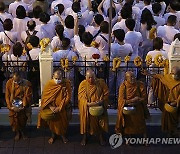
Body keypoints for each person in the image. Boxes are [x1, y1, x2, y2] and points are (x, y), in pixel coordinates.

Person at [143, 66, 180, 137]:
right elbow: (159, 77)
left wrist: (176, 102)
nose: (175, 76)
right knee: (166, 117)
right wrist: (149, 74)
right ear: (171, 73)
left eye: (177, 74)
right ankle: (169, 131)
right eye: (174, 74)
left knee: (175, 119)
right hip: (167, 102)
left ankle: (174, 131)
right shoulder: (168, 78)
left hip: (176, 104)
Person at [37, 69, 72, 144]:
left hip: (62, 107)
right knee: (52, 122)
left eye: (59, 79)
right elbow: (45, 97)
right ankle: (53, 135)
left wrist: (60, 107)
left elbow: (68, 97)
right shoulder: (49, 84)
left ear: (62, 77)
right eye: (56, 78)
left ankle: (63, 135)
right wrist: (50, 107)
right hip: (52, 108)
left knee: (63, 122)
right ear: (53, 76)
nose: (57, 80)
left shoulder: (66, 84)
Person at [115, 71, 149, 142]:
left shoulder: (140, 85)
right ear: (126, 79)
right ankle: (129, 138)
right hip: (128, 108)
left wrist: (138, 100)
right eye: (131, 77)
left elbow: (144, 97)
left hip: (138, 107)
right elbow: (120, 100)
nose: (133, 78)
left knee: (141, 123)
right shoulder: (123, 86)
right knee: (128, 124)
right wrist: (131, 101)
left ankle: (145, 138)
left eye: (134, 76)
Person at [78, 69, 109, 146]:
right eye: (89, 77)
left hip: (99, 107)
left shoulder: (101, 83)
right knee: (85, 121)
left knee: (100, 122)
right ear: (86, 77)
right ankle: (84, 137)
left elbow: (106, 94)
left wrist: (101, 101)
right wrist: (88, 104)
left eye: (92, 77)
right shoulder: (83, 84)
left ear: (95, 76)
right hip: (87, 108)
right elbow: (81, 98)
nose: (91, 79)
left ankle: (100, 137)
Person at [5, 72, 32, 141]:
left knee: (22, 120)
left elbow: (28, 96)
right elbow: (7, 96)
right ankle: (17, 133)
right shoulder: (9, 83)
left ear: (21, 78)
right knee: (14, 121)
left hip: (22, 103)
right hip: (12, 104)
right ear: (12, 79)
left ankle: (23, 132)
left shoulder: (26, 83)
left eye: (18, 81)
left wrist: (23, 106)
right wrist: (10, 106)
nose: (16, 82)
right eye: (15, 81)